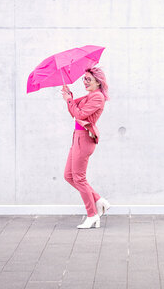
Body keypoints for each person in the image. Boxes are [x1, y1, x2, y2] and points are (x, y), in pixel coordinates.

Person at [61, 66, 111, 229]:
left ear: (98, 81)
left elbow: (79, 114)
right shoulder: (90, 95)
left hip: (85, 139)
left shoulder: (97, 97)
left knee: (79, 178)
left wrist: (70, 100)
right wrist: (69, 96)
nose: (85, 82)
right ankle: (98, 200)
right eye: (84, 79)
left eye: (88, 79)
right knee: (69, 176)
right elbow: (74, 110)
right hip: (77, 137)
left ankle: (92, 215)